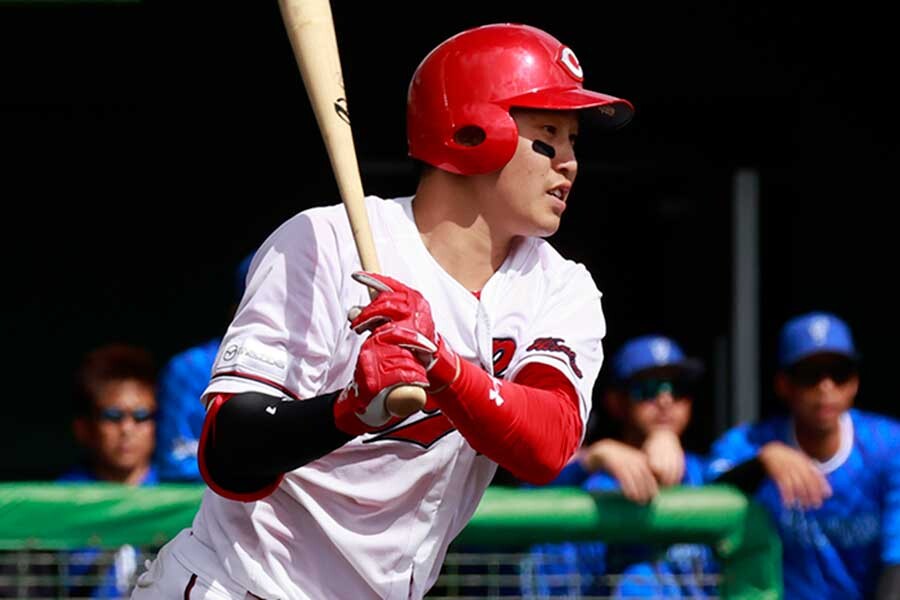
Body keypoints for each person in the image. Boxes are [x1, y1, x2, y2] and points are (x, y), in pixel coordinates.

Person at [131, 22, 634, 600]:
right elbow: (228, 452)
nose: (569, 164)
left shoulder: (560, 287)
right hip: (240, 584)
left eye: (573, 142)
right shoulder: (326, 241)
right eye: (548, 137)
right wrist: (347, 411)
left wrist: (440, 365)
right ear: (472, 131)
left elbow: (546, 446)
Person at [707, 311, 900, 600]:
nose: (826, 387)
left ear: (854, 383)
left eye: (839, 373)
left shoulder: (888, 445)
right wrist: (761, 462)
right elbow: (708, 490)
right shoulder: (756, 442)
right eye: (810, 374)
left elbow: (897, 561)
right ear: (784, 385)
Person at [523, 335, 717, 598]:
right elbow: (527, 487)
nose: (665, 400)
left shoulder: (704, 470)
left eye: (678, 388)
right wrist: (593, 456)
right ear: (616, 401)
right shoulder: (593, 477)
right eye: (648, 388)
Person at [58, 343, 159, 599]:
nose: (127, 429)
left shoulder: (181, 490)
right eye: (113, 416)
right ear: (84, 427)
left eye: (141, 416)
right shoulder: (61, 499)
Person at [153, 252, 254, 482]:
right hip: (211, 501)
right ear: (237, 310)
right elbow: (177, 463)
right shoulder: (191, 367)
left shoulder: (318, 365)